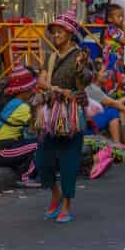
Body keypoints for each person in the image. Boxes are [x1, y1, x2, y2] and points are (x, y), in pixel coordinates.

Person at [35, 12, 96, 221]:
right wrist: (57, 89)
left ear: (70, 33)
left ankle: (67, 204)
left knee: (69, 160)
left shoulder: (80, 55)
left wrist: (81, 68)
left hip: (72, 113)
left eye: (60, 31)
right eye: (54, 32)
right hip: (51, 111)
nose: (56, 35)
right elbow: (41, 81)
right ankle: (55, 193)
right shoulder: (51, 57)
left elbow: (87, 80)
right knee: (42, 159)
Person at [0, 65, 39, 182]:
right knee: (39, 146)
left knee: (35, 144)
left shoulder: (12, 102)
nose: (34, 91)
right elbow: (40, 124)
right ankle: (26, 177)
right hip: (3, 151)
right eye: (31, 88)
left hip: (4, 149)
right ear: (23, 90)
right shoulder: (22, 108)